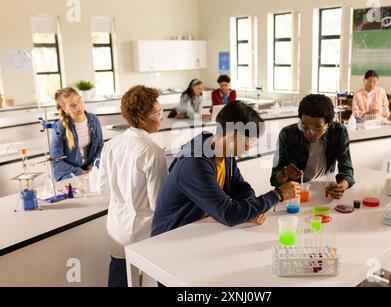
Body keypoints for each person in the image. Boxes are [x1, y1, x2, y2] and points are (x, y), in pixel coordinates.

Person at [152, 101, 300, 237]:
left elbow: (241, 188)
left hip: (198, 229)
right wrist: (277, 195)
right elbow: (228, 214)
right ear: (233, 135)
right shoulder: (195, 163)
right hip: (171, 236)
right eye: (251, 140)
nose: (251, 146)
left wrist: (251, 210)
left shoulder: (224, 153)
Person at [99, 85, 168, 287]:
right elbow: (159, 204)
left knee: (119, 278)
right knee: (159, 276)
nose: (162, 117)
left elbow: (102, 188)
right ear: (140, 118)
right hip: (144, 231)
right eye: (157, 113)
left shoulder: (111, 145)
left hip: (116, 227)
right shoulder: (152, 151)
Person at [270, 94, 355, 200]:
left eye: (318, 128)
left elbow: (347, 170)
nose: (310, 133)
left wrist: (341, 186)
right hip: (293, 195)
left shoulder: (338, 132)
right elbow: (274, 178)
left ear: (328, 125)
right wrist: (284, 173)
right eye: (304, 126)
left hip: (324, 189)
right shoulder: (287, 134)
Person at [51, 87, 103, 181]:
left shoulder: (93, 119)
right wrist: (81, 172)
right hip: (68, 172)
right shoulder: (59, 127)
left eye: (79, 101)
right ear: (64, 108)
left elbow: (100, 147)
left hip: (90, 169)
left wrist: (92, 168)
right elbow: (57, 161)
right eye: (72, 105)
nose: (78, 107)